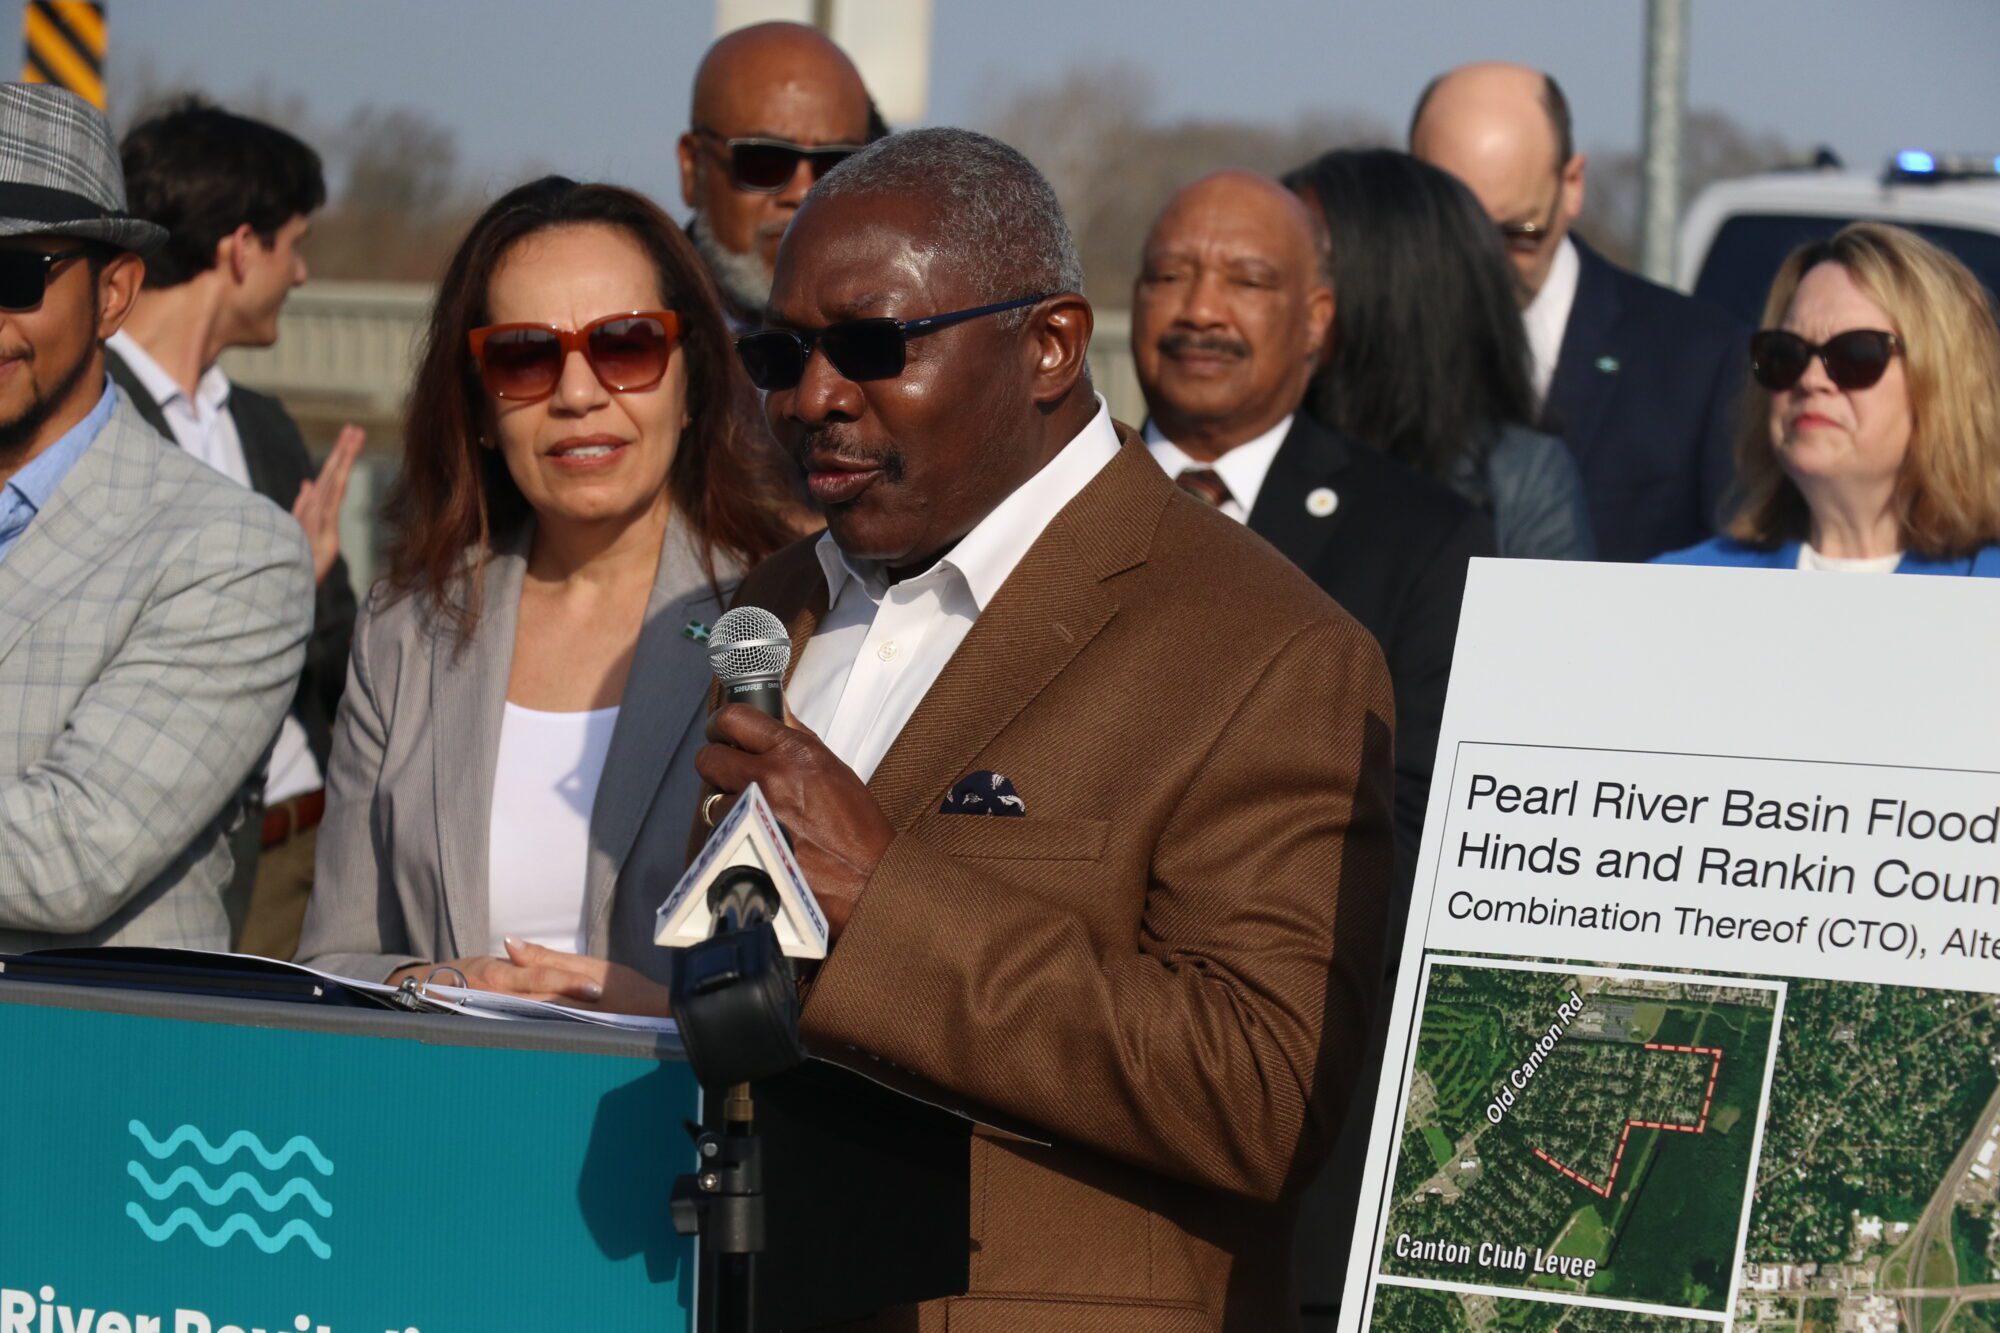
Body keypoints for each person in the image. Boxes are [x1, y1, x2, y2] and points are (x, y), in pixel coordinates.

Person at [706, 129, 1395, 1333]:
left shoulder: (1269, 647)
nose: (813, 397)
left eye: (873, 346)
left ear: (1049, 346)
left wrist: (883, 895)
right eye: (781, 352)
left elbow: (1262, 1093)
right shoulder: (776, 601)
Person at [295, 177, 800, 1007]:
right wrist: (452, 987)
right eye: (525, 356)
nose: (576, 394)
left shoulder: (778, 622)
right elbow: (331, 959)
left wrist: (661, 1013)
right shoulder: (403, 627)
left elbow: (815, 989)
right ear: (479, 407)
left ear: (692, 385)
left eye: (626, 345)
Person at [1129, 168, 1491, 918]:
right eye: (1169, 276)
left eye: (1248, 282)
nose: (1201, 311)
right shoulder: (1040, 494)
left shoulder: (1419, 535)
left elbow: (1418, 828)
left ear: (1317, 320)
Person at [0, 83, 311, 949]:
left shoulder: (233, 551)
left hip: (70, 1036)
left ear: (113, 293)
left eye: (13, 275)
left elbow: (72, 854)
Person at [110, 97, 364, 959]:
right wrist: (281, 588)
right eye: (294, 244)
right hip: (171, 869)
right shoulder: (88, 417)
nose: (302, 274)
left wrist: (309, 589)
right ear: (242, 247)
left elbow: (338, 645)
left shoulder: (262, 426)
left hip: (306, 852)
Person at [1411, 61, 1742, 562]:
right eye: (1453, 232)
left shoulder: (1698, 360)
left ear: (1571, 185)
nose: (1482, 261)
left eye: (1517, 233)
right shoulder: (1365, 353)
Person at [1283, 148, 1594, 560]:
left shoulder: (1518, 479)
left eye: (1314, 267)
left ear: (1394, 286)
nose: (1280, 298)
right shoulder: (1250, 446)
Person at [1658, 222, 2000, 575]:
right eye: (1785, 354)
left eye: (1855, 355)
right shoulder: (1681, 584)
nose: (1809, 380)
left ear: (1942, 382)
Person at [677, 21, 873, 332]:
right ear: (692, 166)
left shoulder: (894, 342)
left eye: (837, 166)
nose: (803, 192)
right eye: (765, 162)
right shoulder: (633, 332)